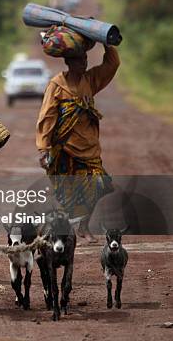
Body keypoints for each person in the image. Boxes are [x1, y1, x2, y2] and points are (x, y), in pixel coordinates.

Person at [37, 44, 120, 243]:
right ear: (69, 62)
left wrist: (105, 42)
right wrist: (43, 148)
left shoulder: (90, 80)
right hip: (64, 149)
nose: (84, 63)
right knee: (68, 192)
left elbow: (113, 64)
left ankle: (82, 225)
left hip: (90, 148)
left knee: (99, 186)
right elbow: (47, 116)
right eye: (79, 60)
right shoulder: (57, 85)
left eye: (85, 59)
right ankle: (65, 229)